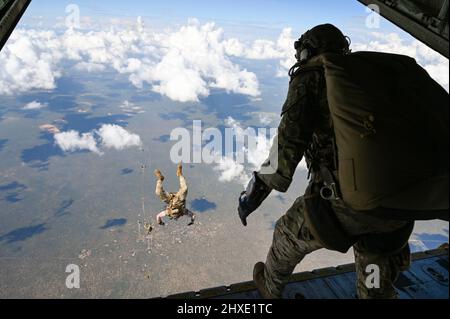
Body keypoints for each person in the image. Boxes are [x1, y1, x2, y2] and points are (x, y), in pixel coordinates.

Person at [237, 24, 449, 299]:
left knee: (287, 234)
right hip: (397, 205)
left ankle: (270, 286)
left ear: (306, 51)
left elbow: (287, 147)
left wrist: (252, 196)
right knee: (373, 264)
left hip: (347, 204)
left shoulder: (312, 76)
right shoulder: (368, 78)